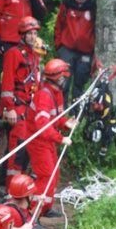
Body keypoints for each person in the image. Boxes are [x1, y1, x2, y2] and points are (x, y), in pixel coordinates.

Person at [25, 59, 78, 218]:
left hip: (46, 139)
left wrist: (66, 124)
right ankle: (33, 213)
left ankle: (45, 206)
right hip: (37, 141)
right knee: (46, 175)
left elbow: (56, 119)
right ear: (60, 79)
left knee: (54, 173)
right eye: (65, 78)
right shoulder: (44, 96)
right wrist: (61, 138)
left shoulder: (57, 94)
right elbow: (42, 125)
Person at [0, 16, 41, 191]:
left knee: (27, 151)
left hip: (29, 110)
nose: (32, 37)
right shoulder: (13, 54)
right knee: (17, 151)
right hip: (17, 109)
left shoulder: (34, 57)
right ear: (22, 35)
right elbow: (7, 83)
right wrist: (9, 108)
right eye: (29, 33)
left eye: (34, 33)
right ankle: (9, 189)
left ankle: (20, 188)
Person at [54, 0, 96, 107]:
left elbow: (98, 29)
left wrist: (93, 51)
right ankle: (61, 114)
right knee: (63, 83)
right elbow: (58, 24)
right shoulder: (67, 3)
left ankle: (75, 115)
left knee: (79, 85)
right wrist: (58, 46)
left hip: (85, 52)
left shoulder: (94, 5)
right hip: (66, 50)